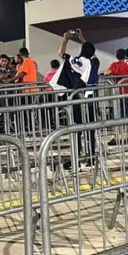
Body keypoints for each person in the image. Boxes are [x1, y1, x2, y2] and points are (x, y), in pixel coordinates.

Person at [50, 29, 99, 168]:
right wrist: (82, 38)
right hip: (90, 101)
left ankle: (76, 158)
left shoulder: (74, 61)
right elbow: (92, 52)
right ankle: (91, 158)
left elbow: (61, 54)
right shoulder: (95, 63)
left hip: (76, 100)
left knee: (76, 130)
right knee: (90, 129)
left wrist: (65, 39)